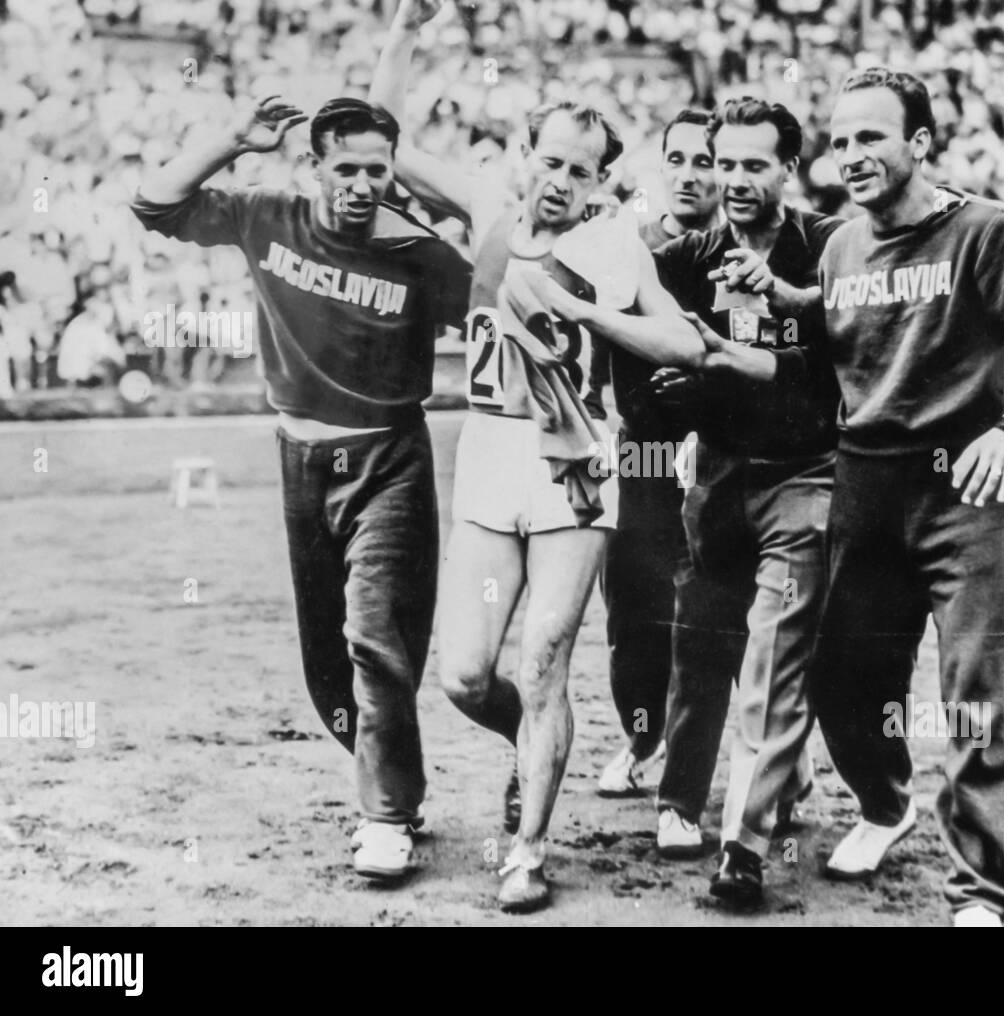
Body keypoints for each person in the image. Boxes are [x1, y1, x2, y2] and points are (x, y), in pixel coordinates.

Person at [372, 0, 705, 914]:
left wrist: (597, 314)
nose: (560, 181)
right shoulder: (486, 206)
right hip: (490, 454)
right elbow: (386, 143)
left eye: (580, 171)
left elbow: (685, 343)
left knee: (548, 653)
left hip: (577, 467)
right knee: (464, 676)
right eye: (549, 161)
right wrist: (404, 31)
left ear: (601, 183)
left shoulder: (614, 243)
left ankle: (527, 850)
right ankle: (536, 741)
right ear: (524, 155)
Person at [130, 93, 473, 882]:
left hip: (389, 457)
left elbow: (500, 310)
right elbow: (153, 204)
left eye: (377, 171)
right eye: (344, 168)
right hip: (300, 457)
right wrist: (231, 139)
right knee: (327, 668)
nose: (361, 185)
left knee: (375, 638)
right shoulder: (267, 217)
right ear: (313, 165)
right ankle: (398, 780)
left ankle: (384, 815)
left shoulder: (418, 252)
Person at [809, 68, 1004, 928]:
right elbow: (818, 362)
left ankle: (981, 889)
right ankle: (884, 804)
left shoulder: (986, 233)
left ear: (921, 142)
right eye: (839, 141)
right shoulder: (838, 247)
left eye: (871, 136)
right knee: (843, 684)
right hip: (865, 485)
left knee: (977, 692)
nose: (851, 155)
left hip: (965, 487)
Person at [648, 97, 843, 904]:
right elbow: (647, 371)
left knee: (772, 653)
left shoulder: (831, 248)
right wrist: (683, 392)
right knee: (699, 644)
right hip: (719, 477)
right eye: (721, 162)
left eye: (753, 165)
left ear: (789, 169)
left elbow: (845, 369)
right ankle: (678, 800)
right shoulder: (685, 257)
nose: (732, 179)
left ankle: (743, 846)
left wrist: (776, 323)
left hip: (805, 476)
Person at [595, 107, 721, 799]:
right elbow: (594, 351)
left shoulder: (746, 251)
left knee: (725, 605)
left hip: (727, 453)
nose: (689, 174)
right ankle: (645, 738)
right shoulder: (628, 245)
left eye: (706, 160)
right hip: (643, 452)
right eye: (677, 159)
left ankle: (778, 757)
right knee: (633, 605)